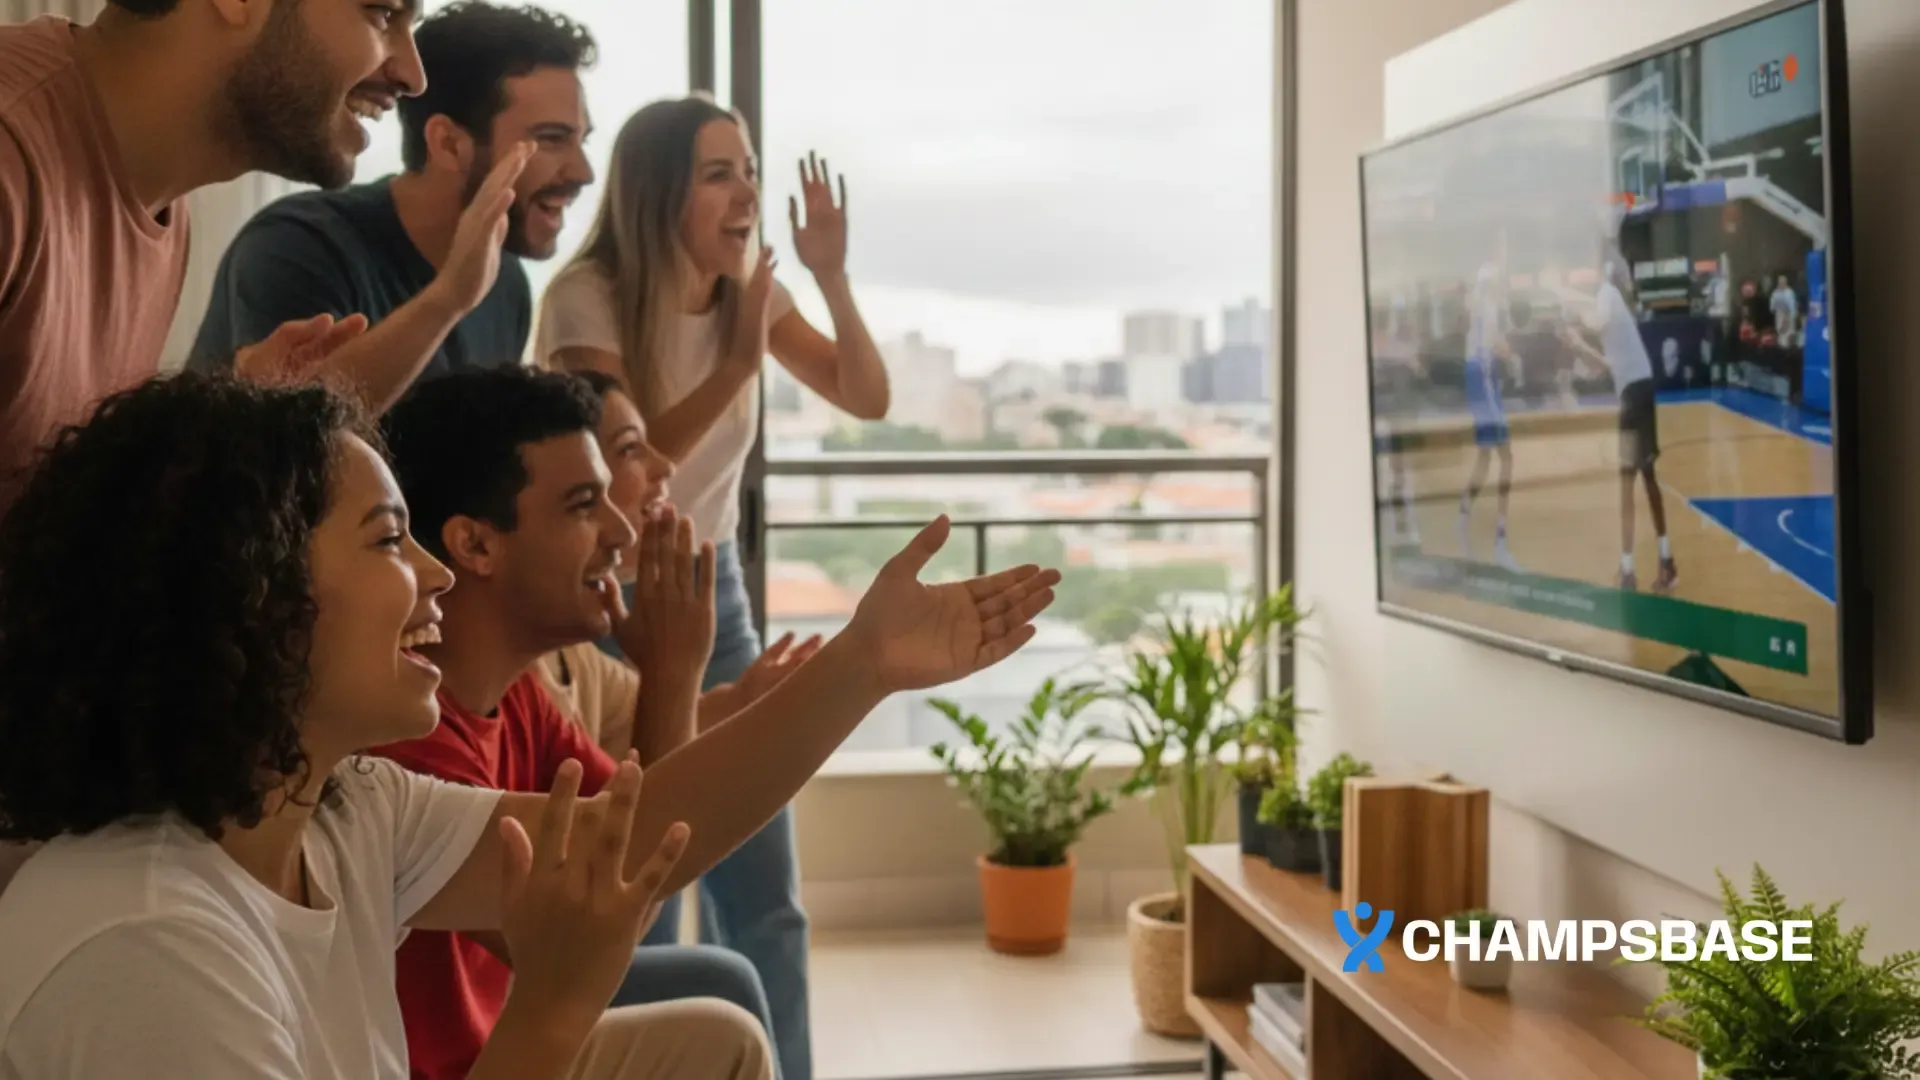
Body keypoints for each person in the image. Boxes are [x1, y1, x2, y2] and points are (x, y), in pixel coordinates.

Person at [0, 371, 1055, 1077]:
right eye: (387, 543)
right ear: (250, 590)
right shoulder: (154, 949)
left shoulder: (338, 810)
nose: (429, 575)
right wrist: (550, 1007)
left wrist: (866, 665)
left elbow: (633, 831)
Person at [534, 94, 892, 1080]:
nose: (747, 194)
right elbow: (622, 474)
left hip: (711, 589)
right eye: (719, 172)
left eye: (749, 169)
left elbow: (867, 394)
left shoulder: (749, 292)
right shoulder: (587, 299)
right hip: (602, 603)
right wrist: (738, 362)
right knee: (637, 889)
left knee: (762, 887)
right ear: (660, 191)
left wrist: (829, 276)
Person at [372, 366, 820, 1080]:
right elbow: (617, 920)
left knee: (725, 1034)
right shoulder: (410, 738)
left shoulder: (518, 696)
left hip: (502, 1046)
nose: (619, 533)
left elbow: (646, 843)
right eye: (584, 505)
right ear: (475, 545)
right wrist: (672, 678)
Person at [0, 0, 426, 515]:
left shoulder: (163, 199)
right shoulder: (11, 158)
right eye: (382, 13)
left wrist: (222, 426)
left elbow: (50, 511)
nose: (413, 75)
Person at [187, 0, 597, 413]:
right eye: (552, 139)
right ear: (448, 144)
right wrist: (450, 297)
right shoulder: (296, 245)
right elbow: (296, 441)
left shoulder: (506, 283)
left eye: (583, 140)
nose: (584, 172)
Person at [535, 369, 822, 759]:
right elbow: (652, 808)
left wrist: (746, 698)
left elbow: (657, 719)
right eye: (630, 448)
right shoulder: (524, 677)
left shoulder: (574, 657)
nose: (666, 467)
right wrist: (672, 671)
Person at [1561, 253, 1678, 593]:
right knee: (1640, 480)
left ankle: (1642, 568)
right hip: (1636, 393)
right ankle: (1654, 564)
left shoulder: (1607, 296)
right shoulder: (1608, 305)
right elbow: (1603, 367)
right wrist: (1577, 345)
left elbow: (1594, 323)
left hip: (1636, 396)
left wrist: (1574, 321)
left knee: (1634, 481)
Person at [1457, 258, 1522, 572]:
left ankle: (1464, 515)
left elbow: (1493, 341)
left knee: (1486, 458)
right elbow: (1497, 344)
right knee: (1506, 456)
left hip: (1480, 378)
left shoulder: (1481, 306)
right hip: (1482, 378)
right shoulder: (1489, 306)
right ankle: (1500, 542)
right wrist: (1515, 358)